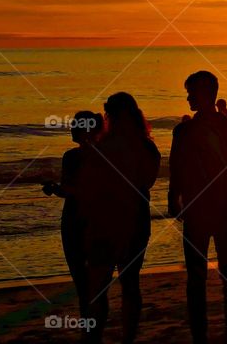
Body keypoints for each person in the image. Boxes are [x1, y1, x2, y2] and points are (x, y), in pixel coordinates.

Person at [169, 70, 227, 344]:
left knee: (199, 277)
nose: (188, 98)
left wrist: (173, 199)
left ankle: (203, 334)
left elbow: (176, 170)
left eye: (191, 92)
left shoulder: (187, 131)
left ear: (204, 95)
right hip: (221, 210)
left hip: (202, 211)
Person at [82, 92, 161, 344]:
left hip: (111, 221)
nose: (107, 117)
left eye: (110, 113)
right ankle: (125, 337)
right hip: (132, 219)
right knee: (127, 283)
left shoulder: (104, 148)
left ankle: (98, 336)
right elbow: (147, 181)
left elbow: (91, 188)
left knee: (101, 285)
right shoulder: (146, 147)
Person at [42, 110, 105, 320]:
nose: (71, 128)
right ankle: (96, 322)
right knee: (98, 280)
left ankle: (89, 324)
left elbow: (71, 190)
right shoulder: (105, 155)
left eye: (75, 125)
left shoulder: (71, 157)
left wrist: (53, 188)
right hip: (98, 219)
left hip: (74, 220)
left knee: (81, 280)